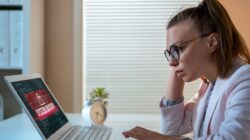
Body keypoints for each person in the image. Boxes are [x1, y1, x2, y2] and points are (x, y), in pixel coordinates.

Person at [122, 0, 250, 139]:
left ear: (211, 42)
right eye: (169, 53)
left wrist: (158, 139)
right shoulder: (207, 86)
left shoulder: (244, 79)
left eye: (178, 49)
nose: (171, 63)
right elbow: (172, 128)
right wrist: (176, 59)